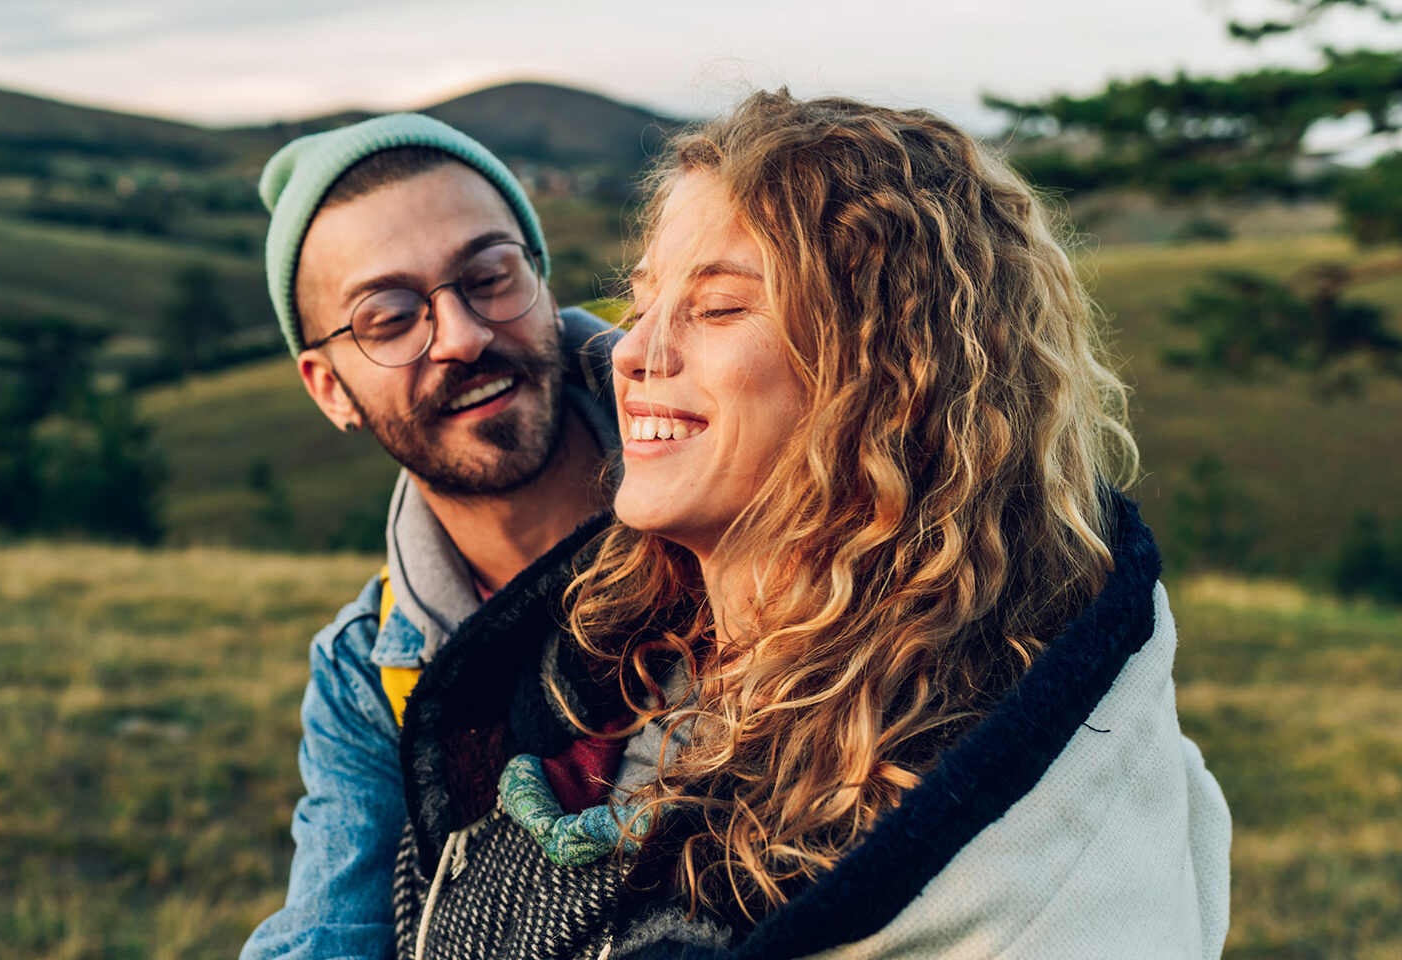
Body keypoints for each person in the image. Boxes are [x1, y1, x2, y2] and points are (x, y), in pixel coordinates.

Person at [392, 90, 1231, 960]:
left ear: (887, 377)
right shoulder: (600, 667)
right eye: (641, 302)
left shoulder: (968, 783)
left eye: (718, 308)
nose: (635, 350)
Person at [238, 113, 623, 960]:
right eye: (389, 317)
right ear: (328, 388)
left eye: (488, 276)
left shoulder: (759, 497)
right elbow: (328, 935)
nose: (462, 336)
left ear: (542, 279)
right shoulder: (369, 676)